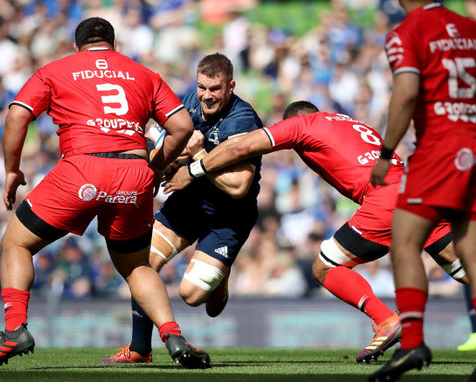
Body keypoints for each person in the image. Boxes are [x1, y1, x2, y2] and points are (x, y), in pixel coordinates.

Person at [0, 17, 210, 370]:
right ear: (113, 45)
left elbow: (16, 115)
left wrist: (12, 170)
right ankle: (173, 335)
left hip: (82, 169)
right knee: (136, 266)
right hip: (134, 172)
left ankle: (14, 330)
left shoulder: (55, 70)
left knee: (16, 243)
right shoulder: (142, 73)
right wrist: (155, 166)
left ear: (77, 45)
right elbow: (182, 127)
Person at [164, 100, 468, 364]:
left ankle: (385, 320)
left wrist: (194, 169)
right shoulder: (349, 122)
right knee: (464, 270)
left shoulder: (303, 124)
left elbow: (243, 145)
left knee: (326, 266)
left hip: (386, 201)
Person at [98, 53, 263, 364]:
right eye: (202, 87)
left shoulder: (243, 120)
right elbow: (154, 135)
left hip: (229, 216)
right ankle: (139, 350)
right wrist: (167, 157)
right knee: (141, 264)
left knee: (192, 296)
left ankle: (220, 280)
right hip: (187, 204)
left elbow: (239, 186)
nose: (207, 96)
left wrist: (199, 155)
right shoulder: (186, 103)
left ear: (231, 86)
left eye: (215, 89)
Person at [368, 1, 476, 381]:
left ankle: (413, 341)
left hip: (440, 149)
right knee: (472, 250)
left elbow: (407, 91)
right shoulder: (469, 27)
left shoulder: (407, 32)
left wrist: (385, 153)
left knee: (404, 241)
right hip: (474, 144)